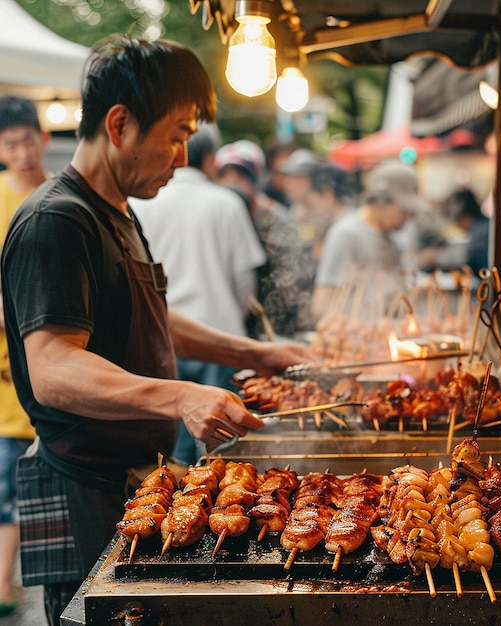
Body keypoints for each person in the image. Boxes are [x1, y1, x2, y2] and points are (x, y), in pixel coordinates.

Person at [0, 35, 312, 626]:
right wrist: (181, 395)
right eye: (176, 134)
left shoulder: (115, 210)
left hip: (128, 482)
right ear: (119, 125)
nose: (185, 156)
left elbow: (148, 317)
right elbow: (53, 369)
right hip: (82, 489)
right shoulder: (56, 222)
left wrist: (258, 352)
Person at [131, 126, 267, 464]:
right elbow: (244, 283)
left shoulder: (140, 203)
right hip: (220, 337)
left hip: (163, 335)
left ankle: (179, 498)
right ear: (209, 159)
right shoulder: (225, 202)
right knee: (222, 446)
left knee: (172, 439)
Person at [0, 96, 49, 618]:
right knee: (10, 480)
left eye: (27, 139)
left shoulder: (59, 194)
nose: (21, 150)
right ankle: (5, 585)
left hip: (57, 365)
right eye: (10, 142)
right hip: (7, 374)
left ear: (43, 138)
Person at [215, 140, 315, 337]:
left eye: (240, 176)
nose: (232, 182)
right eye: (225, 176)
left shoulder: (277, 220)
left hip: (271, 327)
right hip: (226, 323)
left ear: (254, 180)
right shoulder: (216, 215)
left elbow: (292, 284)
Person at [311, 160, 418, 322]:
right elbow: (321, 303)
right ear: (380, 202)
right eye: (404, 210)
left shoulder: (391, 237)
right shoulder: (346, 234)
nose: (409, 216)